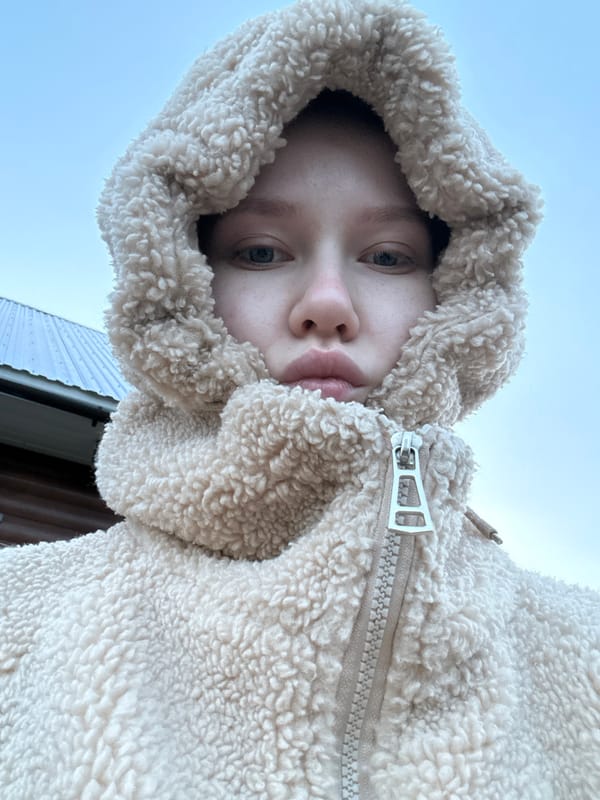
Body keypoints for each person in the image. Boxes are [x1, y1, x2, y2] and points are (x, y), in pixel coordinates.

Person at [1, 0, 598, 798]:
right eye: (259, 250)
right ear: (183, 279)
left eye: (387, 256)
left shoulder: (581, 651)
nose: (327, 301)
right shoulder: (19, 623)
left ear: (456, 294)